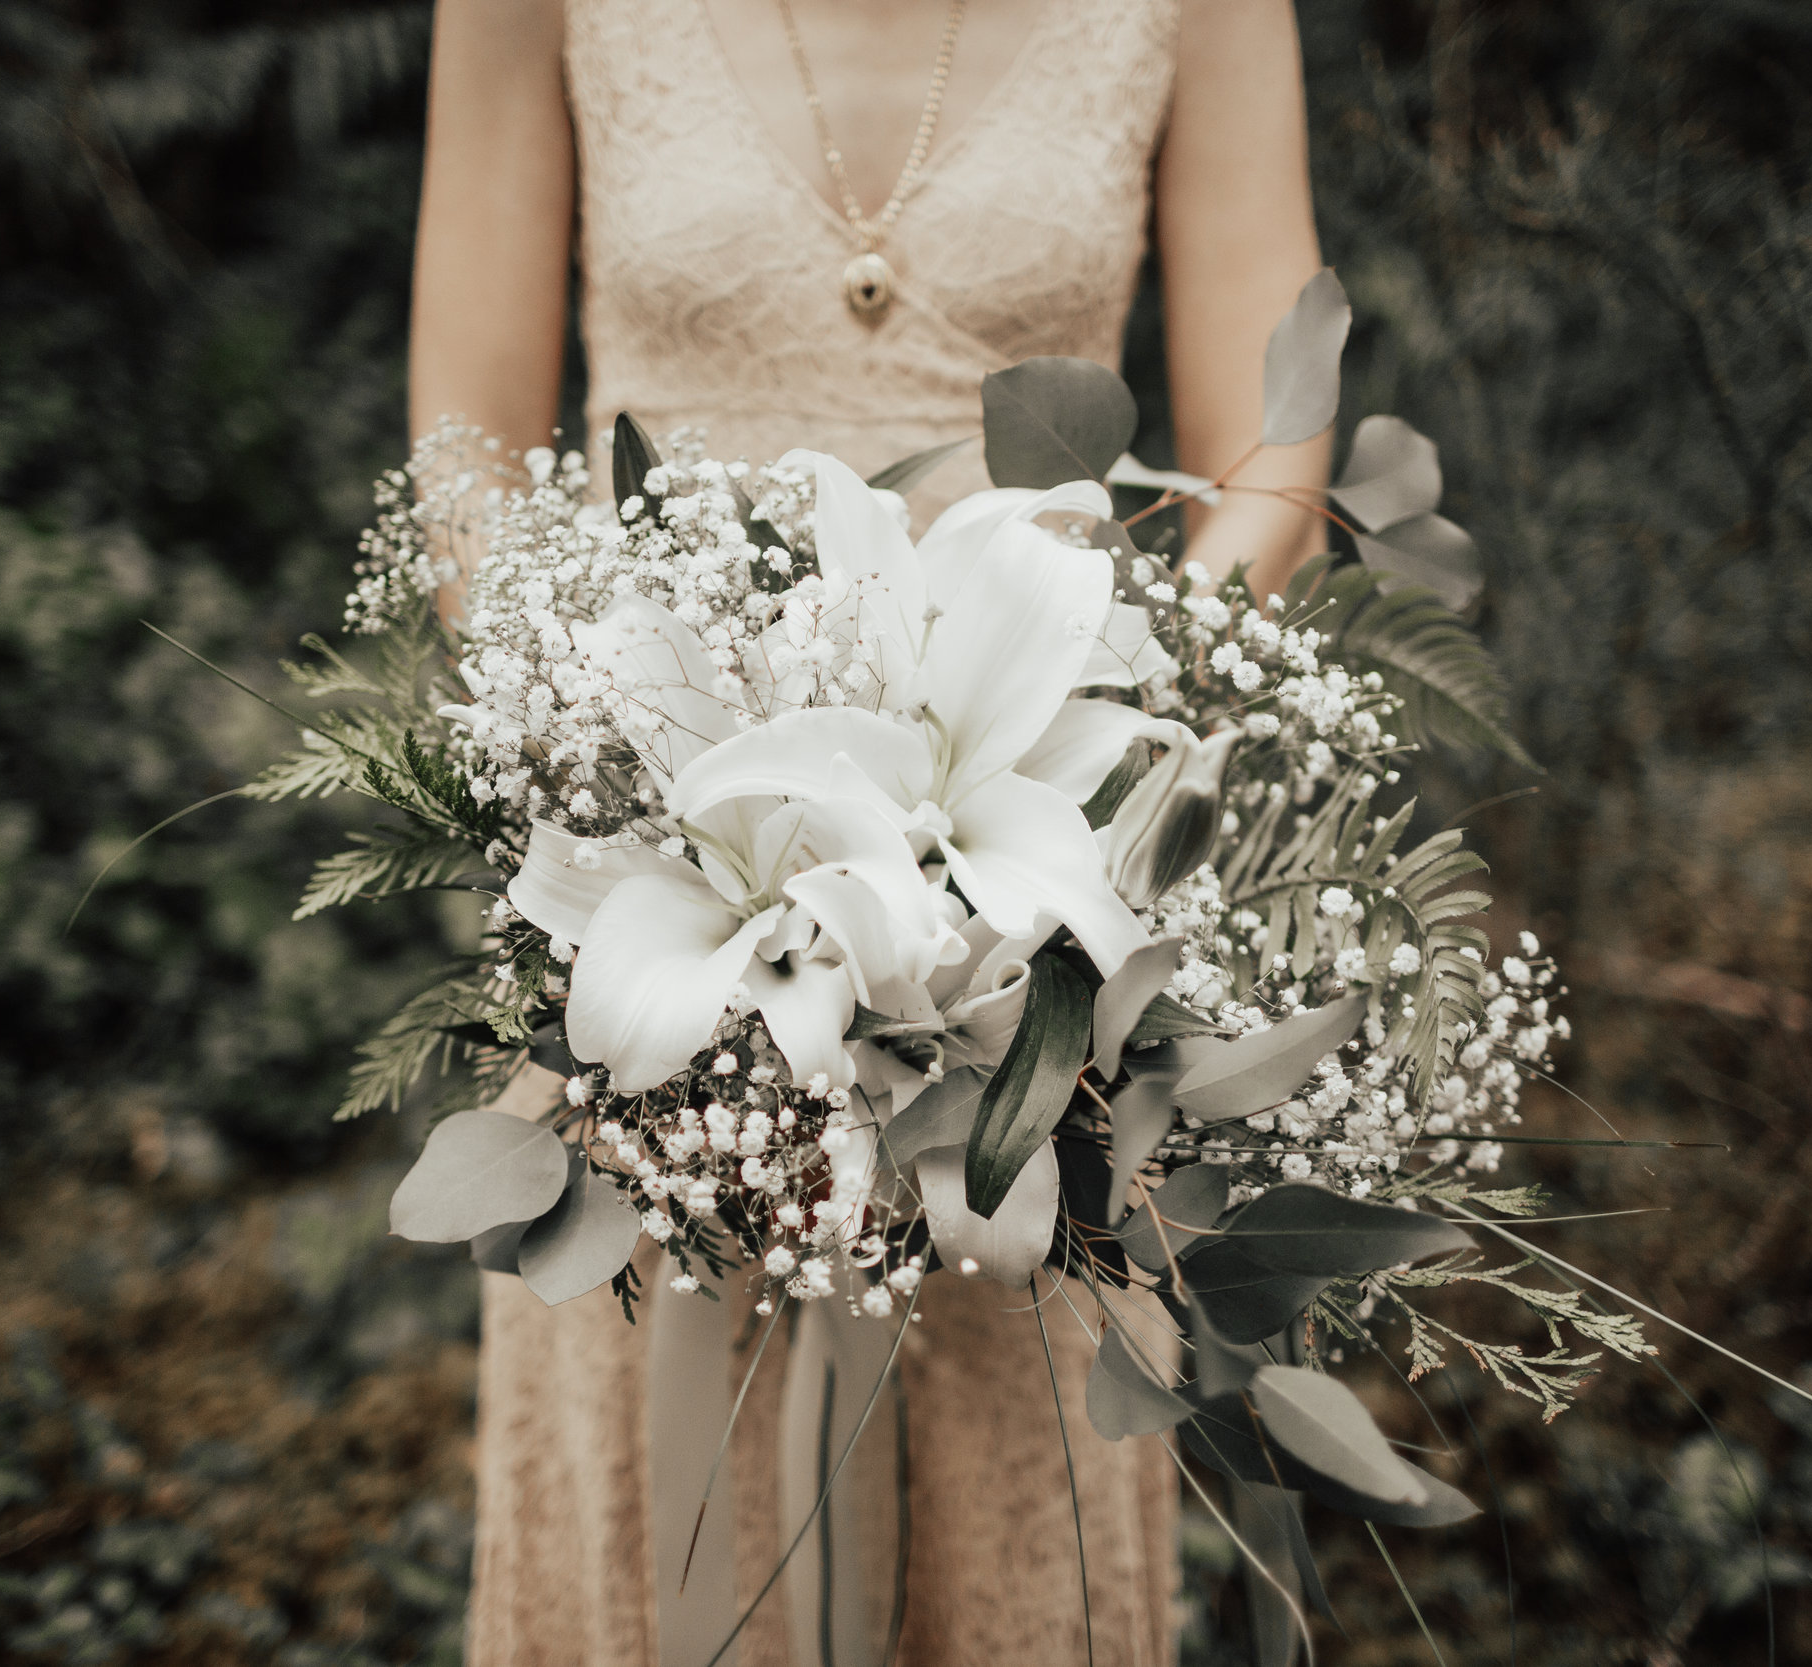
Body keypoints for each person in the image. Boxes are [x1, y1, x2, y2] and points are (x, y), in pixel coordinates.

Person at [407, 1, 1330, 1661]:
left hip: (1029, 971)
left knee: (1009, 1531)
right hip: (651, 924)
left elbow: (1276, 451)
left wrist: (1088, 792)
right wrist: (606, 790)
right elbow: (466, 462)